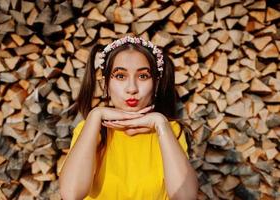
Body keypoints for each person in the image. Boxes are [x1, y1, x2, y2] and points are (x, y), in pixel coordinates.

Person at [59, 35, 198, 200]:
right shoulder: (89, 128)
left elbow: (186, 197)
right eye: (120, 76)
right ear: (105, 85)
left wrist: (160, 123)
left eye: (143, 76)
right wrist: (96, 115)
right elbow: (71, 194)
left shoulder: (170, 130)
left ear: (156, 84)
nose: (132, 88)